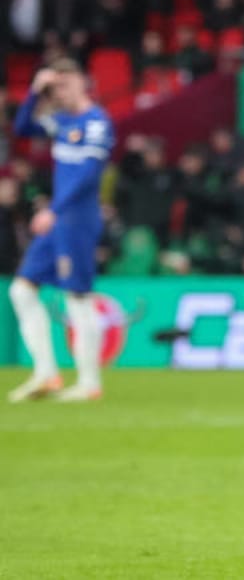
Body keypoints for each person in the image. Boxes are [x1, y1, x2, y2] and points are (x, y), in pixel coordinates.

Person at [8, 59, 116, 403]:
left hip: (76, 220)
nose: (60, 92)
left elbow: (87, 175)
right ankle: (46, 373)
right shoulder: (62, 122)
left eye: (65, 84)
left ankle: (89, 382)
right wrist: (34, 90)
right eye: (55, 88)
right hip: (57, 220)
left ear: (83, 82)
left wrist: (53, 210)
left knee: (77, 298)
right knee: (22, 291)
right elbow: (22, 127)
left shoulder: (97, 123)